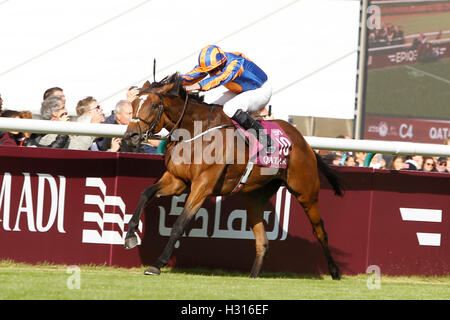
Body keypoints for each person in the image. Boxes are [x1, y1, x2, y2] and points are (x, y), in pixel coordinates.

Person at [181, 45, 273, 151]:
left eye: (214, 70)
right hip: (240, 90)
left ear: (222, 63)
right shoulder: (215, 63)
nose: (212, 74)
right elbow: (189, 77)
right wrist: (169, 85)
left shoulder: (235, 63)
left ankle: (265, 140)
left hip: (261, 90)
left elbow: (218, 79)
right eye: (209, 72)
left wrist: (190, 88)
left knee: (230, 108)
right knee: (209, 104)